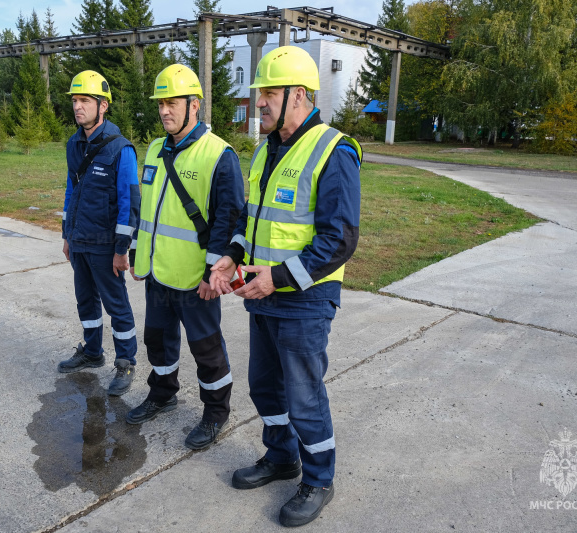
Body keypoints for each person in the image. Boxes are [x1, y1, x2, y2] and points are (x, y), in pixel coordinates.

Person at [209, 46, 361, 527]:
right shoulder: (266, 150)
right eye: (259, 94)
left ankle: (318, 479)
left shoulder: (334, 149)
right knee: (266, 387)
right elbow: (249, 221)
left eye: (269, 93)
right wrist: (231, 256)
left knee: (304, 395)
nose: (260, 103)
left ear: (299, 95)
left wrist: (276, 277)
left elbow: (339, 239)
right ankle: (281, 458)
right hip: (265, 297)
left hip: (305, 299)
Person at [126, 64, 244, 451]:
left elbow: (228, 221)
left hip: (197, 279)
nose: (164, 111)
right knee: (157, 340)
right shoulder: (156, 148)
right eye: (161, 104)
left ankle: (215, 413)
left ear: (195, 105)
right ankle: (162, 392)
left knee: (206, 348)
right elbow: (149, 210)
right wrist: (136, 251)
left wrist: (215, 273)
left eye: (172, 103)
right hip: (159, 271)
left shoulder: (218, 154)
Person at [58, 70, 140, 397]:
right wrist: (67, 235)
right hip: (79, 241)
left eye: (84, 100)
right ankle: (92, 352)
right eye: (75, 100)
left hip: (106, 246)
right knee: (85, 301)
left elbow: (129, 202)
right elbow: (69, 192)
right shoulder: (73, 144)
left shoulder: (121, 149)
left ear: (102, 106)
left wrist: (122, 249)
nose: (78, 107)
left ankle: (126, 362)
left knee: (116, 304)